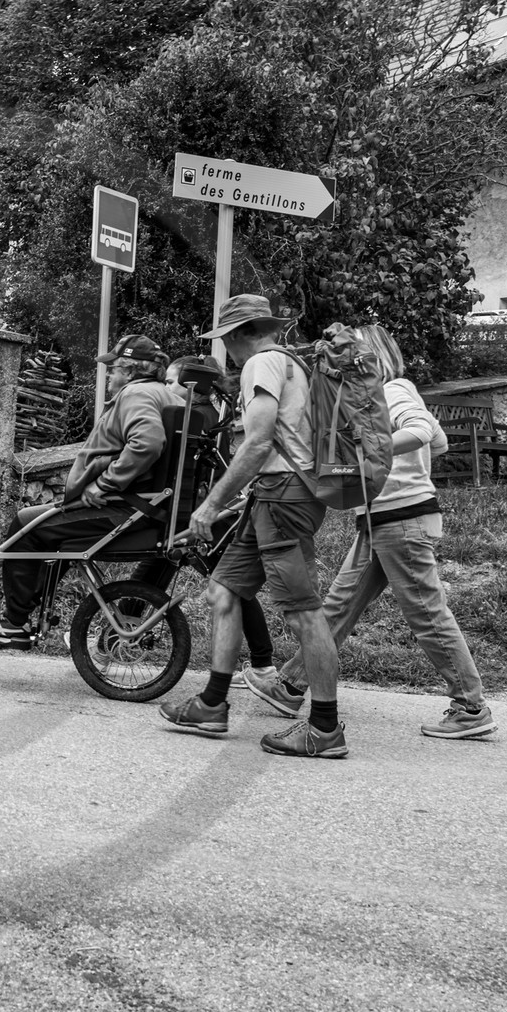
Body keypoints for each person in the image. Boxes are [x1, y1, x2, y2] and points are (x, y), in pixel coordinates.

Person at [250, 324, 498, 739]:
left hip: (403, 519)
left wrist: (372, 450)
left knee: (427, 614)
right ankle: (291, 684)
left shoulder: (393, 389)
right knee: (339, 604)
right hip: (381, 520)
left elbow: (420, 432)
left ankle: (471, 706)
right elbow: (436, 443)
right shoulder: (375, 398)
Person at [159, 294, 345, 758]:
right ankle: (212, 704)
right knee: (223, 592)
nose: (226, 350)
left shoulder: (262, 363)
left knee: (303, 610)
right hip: (272, 495)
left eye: (226, 340)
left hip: (284, 497)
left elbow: (259, 442)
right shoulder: (289, 364)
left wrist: (209, 505)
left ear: (242, 334)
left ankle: (324, 729)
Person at [0, 334, 180, 649]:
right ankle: (26, 613)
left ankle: (14, 623)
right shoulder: (170, 395)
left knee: (26, 525)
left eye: (115, 369)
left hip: (127, 508)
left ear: (131, 371)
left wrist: (104, 483)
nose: (110, 374)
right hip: (148, 507)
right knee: (52, 531)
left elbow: (147, 443)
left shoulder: (136, 394)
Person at [132, 355, 280, 681]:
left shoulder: (191, 418)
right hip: (203, 512)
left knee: (232, 586)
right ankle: (109, 640)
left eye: (171, 381)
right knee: (154, 569)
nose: (166, 386)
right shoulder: (211, 414)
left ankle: (263, 667)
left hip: (203, 515)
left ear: (192, 386)